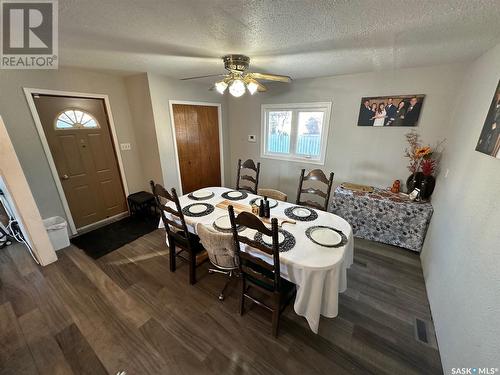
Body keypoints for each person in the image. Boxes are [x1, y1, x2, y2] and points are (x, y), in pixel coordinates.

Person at [476, 90, 500, 156]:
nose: (497, 96)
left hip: (491, 139)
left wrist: (496, 124)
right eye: (497, 95)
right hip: (485, 134)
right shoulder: (493, 104)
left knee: (486, 150)